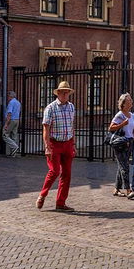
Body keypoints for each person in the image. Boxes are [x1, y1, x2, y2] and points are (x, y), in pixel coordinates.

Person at [37, 81, 76, 211]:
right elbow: (46, 129)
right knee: (54, 171)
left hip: (68, 142)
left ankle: (61, 202)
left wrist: (73, 143)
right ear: (58, 93)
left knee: (67, 173)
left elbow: (72, 126)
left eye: (67, 92)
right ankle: (43, 194)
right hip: (55, 143)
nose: (65, 95)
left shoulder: (71, 107)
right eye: (63, 92)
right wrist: (47, 146)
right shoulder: (50, 108)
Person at [109, 93, 134, 198]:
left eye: (131, 100)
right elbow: (111, 128)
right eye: (129, 100)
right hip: (120, 143)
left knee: (121, 166)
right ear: (123, 103)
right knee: (124, 167)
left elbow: (133, 131)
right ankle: (128, 190)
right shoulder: (120, 115)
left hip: (129, 143)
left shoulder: (132, 115)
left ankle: (116, 189)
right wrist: (122, 124)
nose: (131, 101)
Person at [4, 90, 22, 157]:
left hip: (11, 120)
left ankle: (15, 147)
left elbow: (9, 113)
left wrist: (6, 124)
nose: (7, 98)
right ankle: (13, 153)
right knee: (14, 136)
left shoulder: (11, 102)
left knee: (5, 135)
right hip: (17, 120)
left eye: (8, 96)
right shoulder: (18, 102)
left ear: (10, 96)